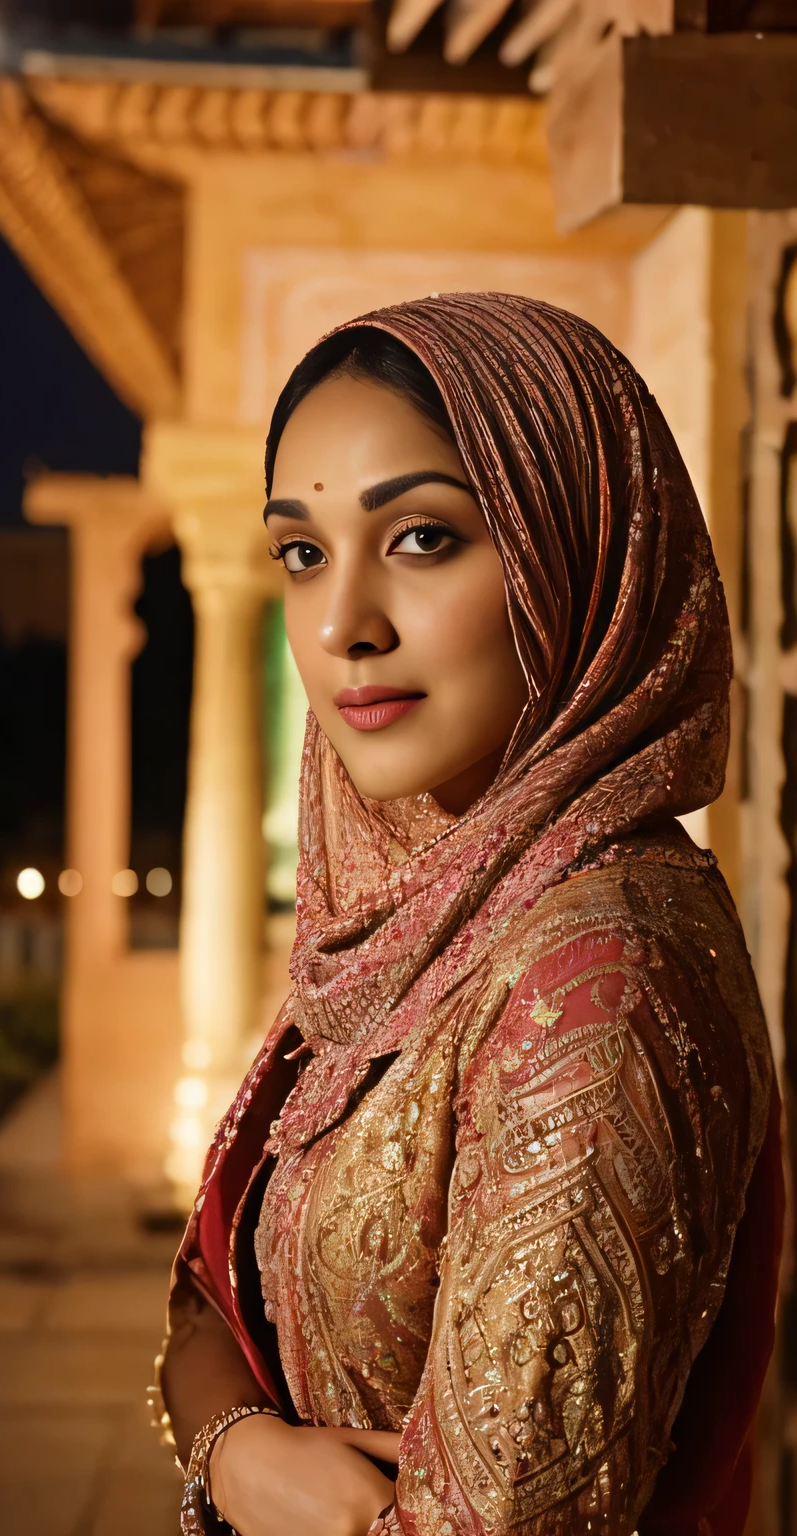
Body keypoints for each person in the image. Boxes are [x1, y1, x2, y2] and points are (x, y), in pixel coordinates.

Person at [155, 293, 784, 1536]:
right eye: (303, 552)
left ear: (576, 547)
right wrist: (236, 1453)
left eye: (424, 538)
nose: (342, 627)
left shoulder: (600, 981)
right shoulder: (421, 909)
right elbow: (205, 1299)